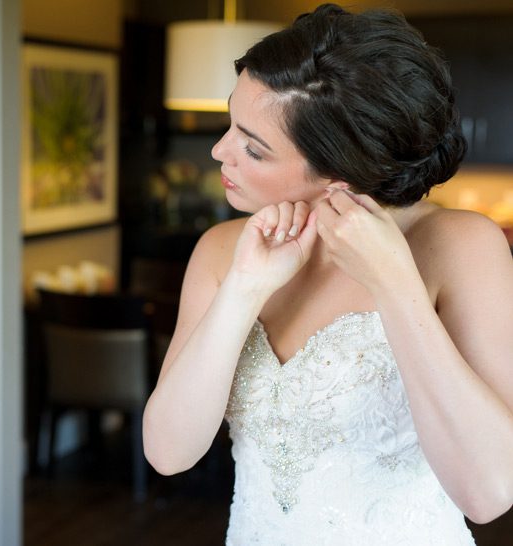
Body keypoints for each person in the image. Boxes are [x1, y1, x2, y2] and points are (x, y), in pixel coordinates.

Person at [142, 4, 513, 545]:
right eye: (230, 124)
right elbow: (168, 453)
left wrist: (393, 282)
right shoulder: (222, 250)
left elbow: (489, 492)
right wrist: (244, 289)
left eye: (253, 147)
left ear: (339, 175)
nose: (219, 151)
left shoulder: (460, 247)